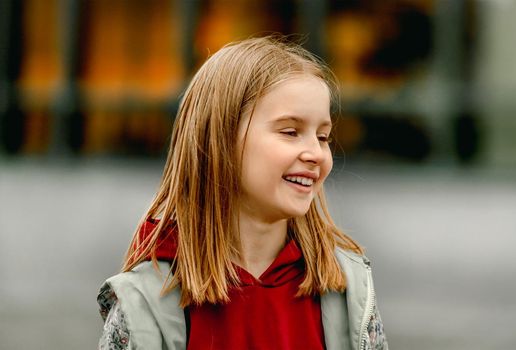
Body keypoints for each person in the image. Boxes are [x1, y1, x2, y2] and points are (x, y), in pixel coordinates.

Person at [96, 36, 388, 350]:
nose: (316, 153)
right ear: (221, 140)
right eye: (290, 132)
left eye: (323, 136)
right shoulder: (144, 301)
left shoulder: (347, 290)